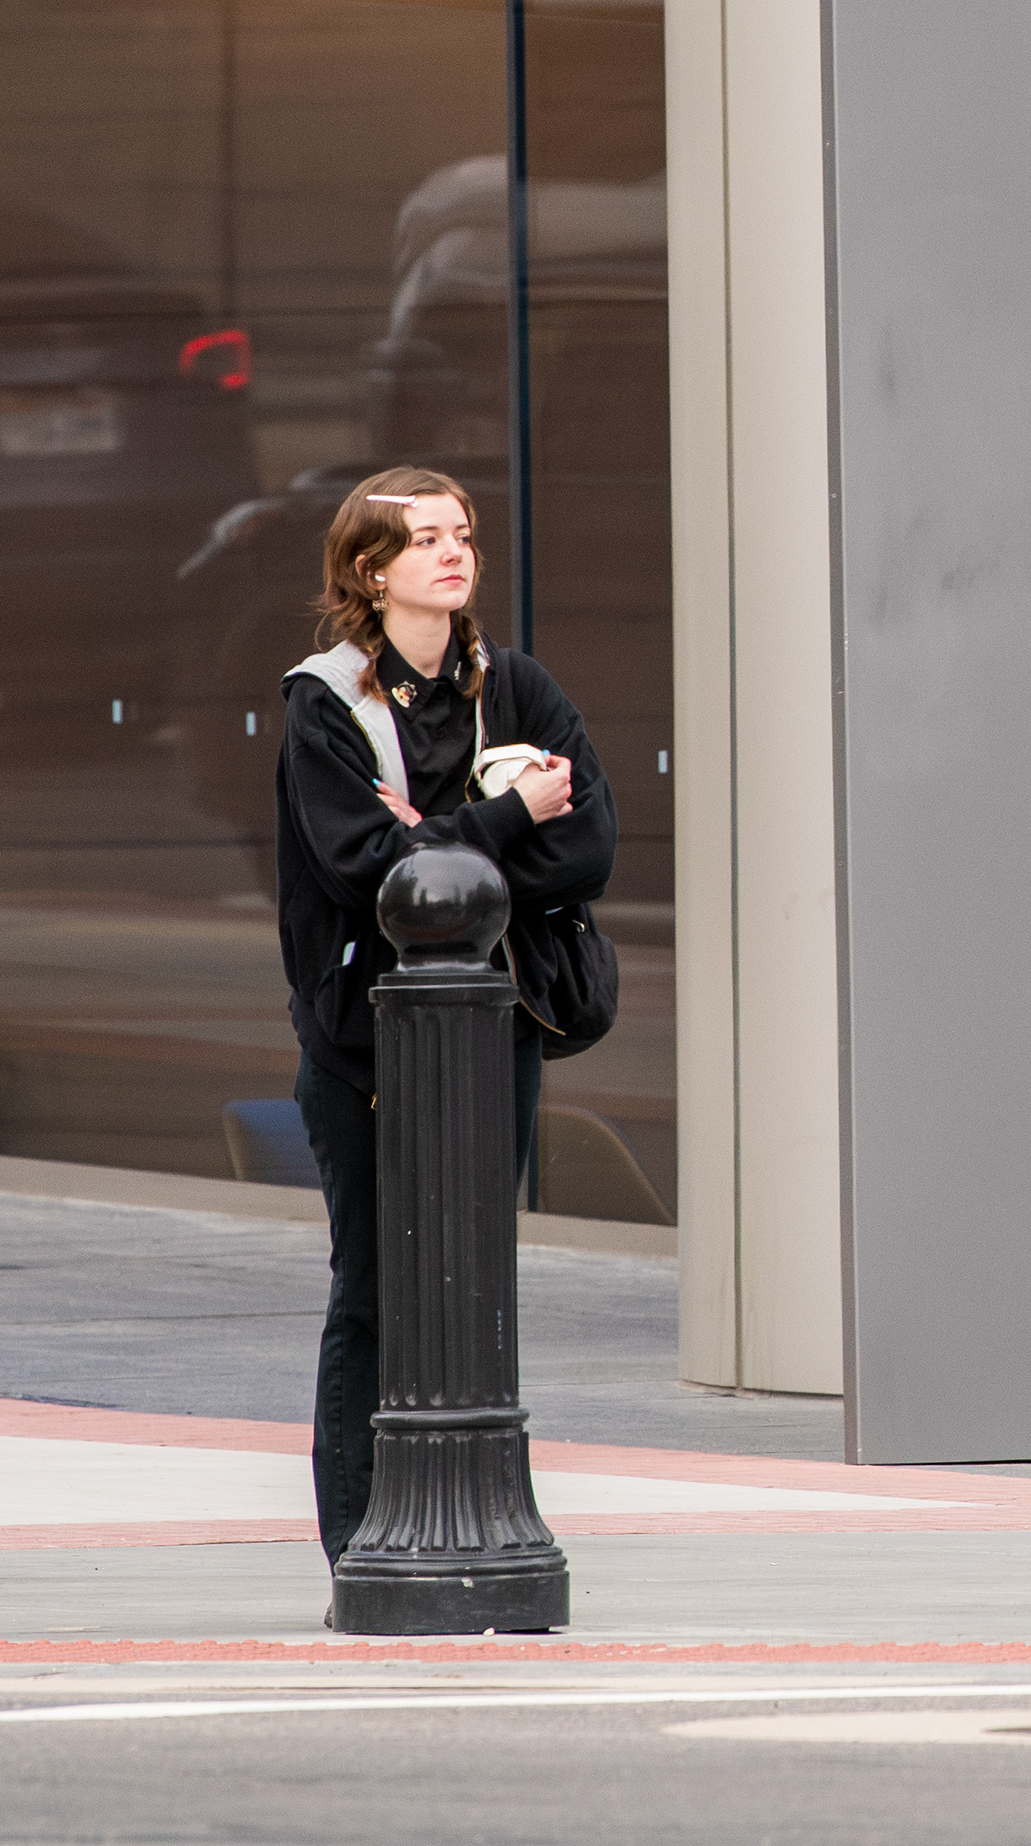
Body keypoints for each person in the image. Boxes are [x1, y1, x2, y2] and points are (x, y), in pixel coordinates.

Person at [273, 466, 614, 1574]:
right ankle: (360, 1539)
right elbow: (363, 863)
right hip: (364, 1044)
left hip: (493, 1032)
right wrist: (509, 813)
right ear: (372, 572)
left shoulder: (512, 686)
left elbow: (591, 844)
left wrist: (446, 829)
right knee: (374, 1284)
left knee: (475, 1279)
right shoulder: (328, 702)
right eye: (425, 540)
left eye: (462, 535)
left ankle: (474, 1516)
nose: (454, 555)